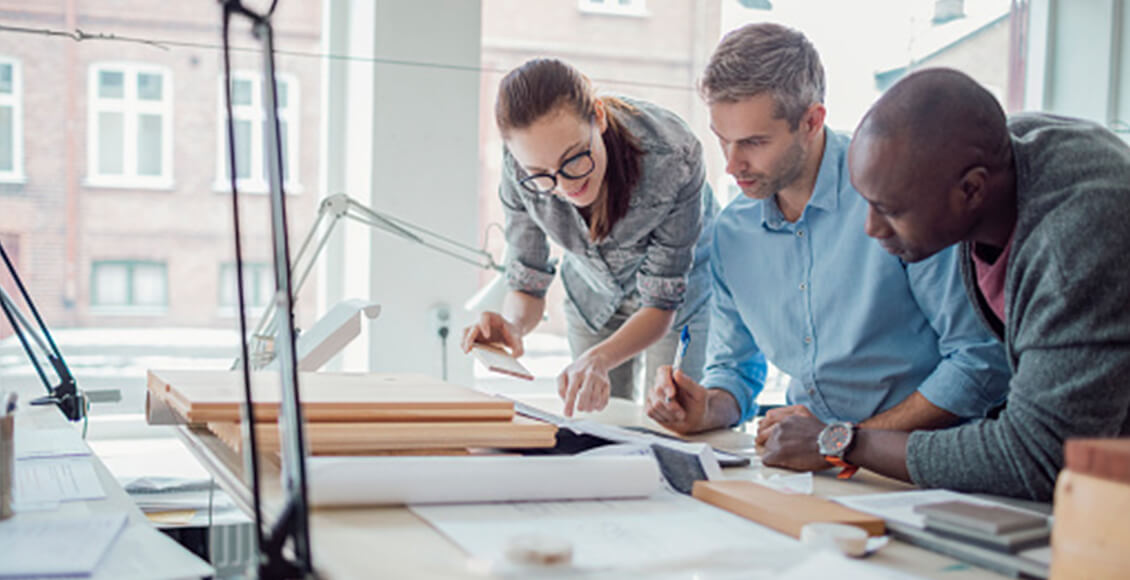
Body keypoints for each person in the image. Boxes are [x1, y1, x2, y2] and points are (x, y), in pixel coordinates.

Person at [761, 67, 1130, 501]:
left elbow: (1039, 457)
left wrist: (841, 441)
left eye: (891, 210)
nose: (871, 228)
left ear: (971, 190)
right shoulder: (997, 158)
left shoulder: (1074, 244)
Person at [645, 24, 1010, 450]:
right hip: (806, 465)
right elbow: (735, 371)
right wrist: (705, 407)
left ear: (812, 120)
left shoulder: (897, 199)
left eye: (754, 143)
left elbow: (980, 360)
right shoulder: (733, 232)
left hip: (919, 467)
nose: (732, 164)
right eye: (723, 141)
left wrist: (839, 442)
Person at [461, 58, 718, 417]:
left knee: (672, 417)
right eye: (542, 174)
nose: (565, 186)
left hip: (677, 300)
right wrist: (512, 327)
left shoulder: (673, 154)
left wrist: (598, 358)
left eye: (573, 159)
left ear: (598, 116)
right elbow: (528, 280)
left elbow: (661, 304)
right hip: (592, 294)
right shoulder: (518, 168)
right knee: (597, 422)